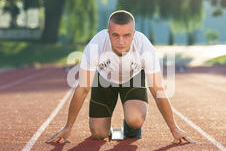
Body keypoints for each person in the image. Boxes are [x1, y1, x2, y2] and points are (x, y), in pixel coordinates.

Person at [46, 10, 195, 144]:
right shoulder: (95, 46)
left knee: (135, 120)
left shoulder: (145, 49)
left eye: (127, 35)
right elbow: (83, 88)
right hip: (104, 79)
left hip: (133, 78)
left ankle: (131, 129)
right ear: (108, 33)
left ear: (134, 34)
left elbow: (158, 90)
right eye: (115, 35)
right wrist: (68, 127)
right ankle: (112, 131)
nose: (121, 41)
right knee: (99, 134)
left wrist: (174, 129)